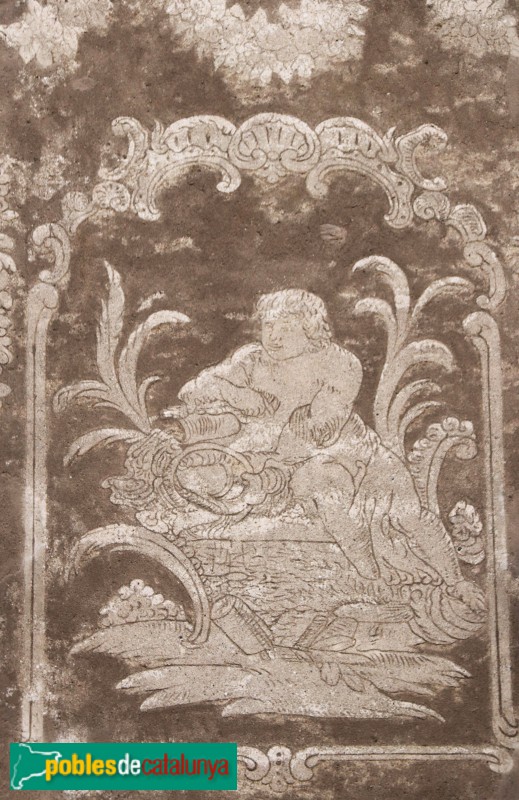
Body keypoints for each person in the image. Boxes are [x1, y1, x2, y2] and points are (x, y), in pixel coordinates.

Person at [174, 289, 484, 613]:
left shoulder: (339, 363)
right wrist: (237, 395)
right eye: (268, 325)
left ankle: (455, 581)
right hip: (301, 467)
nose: (274, 337)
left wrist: (265, 444)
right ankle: (373, 579)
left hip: (354, 451)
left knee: (409, 511)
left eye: (286, 328)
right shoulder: (251, 360)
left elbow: (321, 429)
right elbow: (193, 390)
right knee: (323, 483)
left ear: (310, 330)